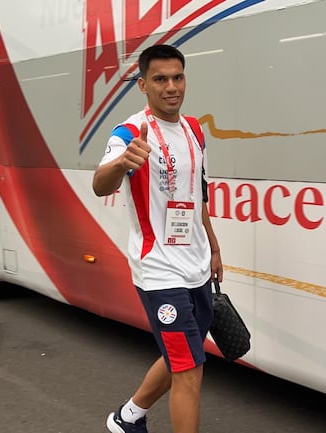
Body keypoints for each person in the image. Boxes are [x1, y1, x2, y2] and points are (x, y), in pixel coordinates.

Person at [92, 44, 222, 433]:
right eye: (160, 79)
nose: (171, 87)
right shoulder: (130, 131)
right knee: (190, 370)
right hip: (159, 269)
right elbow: (100, 185)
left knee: (184, 352)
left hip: (197, 265)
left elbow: (197, 194)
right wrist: (121, 162)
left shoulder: (195, 130)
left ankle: (128, 417)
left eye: (177, 77)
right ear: (142, 85)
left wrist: (213, 248)